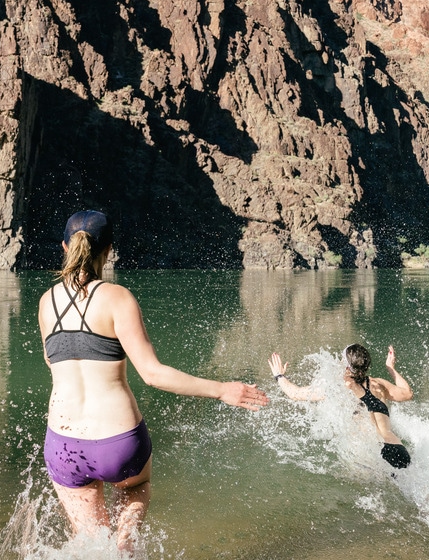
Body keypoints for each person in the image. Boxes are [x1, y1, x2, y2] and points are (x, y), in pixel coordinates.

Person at [39, 210, 268, 553]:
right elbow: (152, 374)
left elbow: (53, 364)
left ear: (64, 246)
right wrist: (222, 390)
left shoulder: (46, 303)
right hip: (117, 441)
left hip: (64, 445)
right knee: (134, 489)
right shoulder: (117, 297)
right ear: (109, 250)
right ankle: (127, 541)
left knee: (89, 545)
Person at [268, 343, 413, 469]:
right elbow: (407, 394)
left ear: (346, 367)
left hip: (369, 455)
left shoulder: (336, 389)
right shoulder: (378, 384)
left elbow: (295, 393)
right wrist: (390, 368)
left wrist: (279, 376)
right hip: (397, 449)